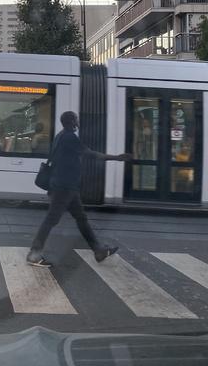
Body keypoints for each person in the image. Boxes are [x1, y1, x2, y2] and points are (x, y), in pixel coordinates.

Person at [27, 110, 132, 268]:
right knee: (51, 219)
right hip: (64, 187)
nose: (78, 122)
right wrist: (116, 158)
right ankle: (34, 254)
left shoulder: (60, 135)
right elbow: (89, 153)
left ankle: (98, 250)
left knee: (81, 218)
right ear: (72, 122)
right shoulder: (69, 137)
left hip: (67, 187)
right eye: (76, 119)